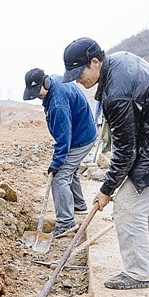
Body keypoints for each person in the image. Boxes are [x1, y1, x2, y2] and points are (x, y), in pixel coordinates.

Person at [62, 38, 149, 289]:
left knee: (127, 206)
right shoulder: (118, 61)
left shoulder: (116, 93)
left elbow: (126, 151)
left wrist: (106, 190)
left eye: (78, 72)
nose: (77, 80)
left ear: (95, 62)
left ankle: (137, 273)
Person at [23, 68, 97, 236]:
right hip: (82, 133)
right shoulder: (54, 83)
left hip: (81, 138)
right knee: (71, 169)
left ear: (45, 83)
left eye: (37, 92)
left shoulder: (58, 103)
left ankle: (66, 223)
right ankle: (78, 205)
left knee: (60, 176)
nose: (36, 96)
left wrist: (55, 164)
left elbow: (63, 138)